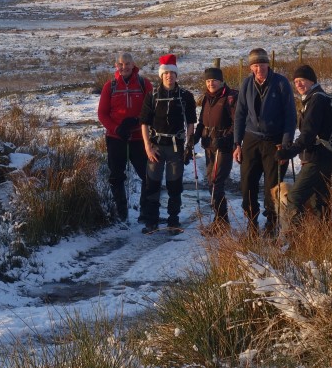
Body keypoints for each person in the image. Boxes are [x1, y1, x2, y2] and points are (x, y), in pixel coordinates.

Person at [233, 48, 297, 237]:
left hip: (275, 141)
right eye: (255, 65)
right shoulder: (246, 84)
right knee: (247, 183)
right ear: (251, 67)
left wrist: (286, 145)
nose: (259, 68)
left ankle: (271, 224)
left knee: (273, 186)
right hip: (251, 139)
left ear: (268, 64)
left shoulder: (281, 83)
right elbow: (240, 114)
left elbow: (290, 116)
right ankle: (251, 222)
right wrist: (237, 143)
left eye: (262, 64)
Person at [138, 54, 196, 234]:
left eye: (172, 73)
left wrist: (189, 145)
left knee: (174, 186)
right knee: (152, 185)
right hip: (156, 147)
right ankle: (151, 221)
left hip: (176, 148)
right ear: (161, 76)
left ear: (176, 75)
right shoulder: (152, 96)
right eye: (166, 74)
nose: (169, 76)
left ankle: (173, 221)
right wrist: (147, 146)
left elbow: (191, 122)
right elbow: (144, 123)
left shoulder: (186, 96)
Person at [276, 64, 332, 226]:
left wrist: (288, 152)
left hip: (318, 157)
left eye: (302, 80)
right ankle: (321, 237)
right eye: (296, 81)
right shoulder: (317, 98)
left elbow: (308, 134)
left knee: (295, 197)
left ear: (312, 80)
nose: (298, 84)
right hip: (325, 155)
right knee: (320, 198)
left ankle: (294, 241)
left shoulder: (316, 100)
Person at [97, 52, 153, 222]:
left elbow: (152, 109)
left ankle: (145, 213)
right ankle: (121, 214)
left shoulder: (144, 84)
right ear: (116, 66)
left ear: (133, 64)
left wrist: (138, 121)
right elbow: (102, 114)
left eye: (127, 63)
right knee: (116, 176)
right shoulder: (110, 86)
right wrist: (117, 128)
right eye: (121, 64)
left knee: (148, 175)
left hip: (138, 138)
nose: (124, 67)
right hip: (116, 138)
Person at [193, 66, 238, 234]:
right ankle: (222, 220)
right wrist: (195, 138)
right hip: (209, 146)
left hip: (224, 147)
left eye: (214, 80)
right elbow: (201, 123)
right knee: (211, 183)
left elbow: (237, 123)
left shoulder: (230, 97)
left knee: (217, 183)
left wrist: (226, 139)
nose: (211, 83)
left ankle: (220, 223)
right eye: (208, 81)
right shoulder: (206, 98)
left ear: (221, 81)